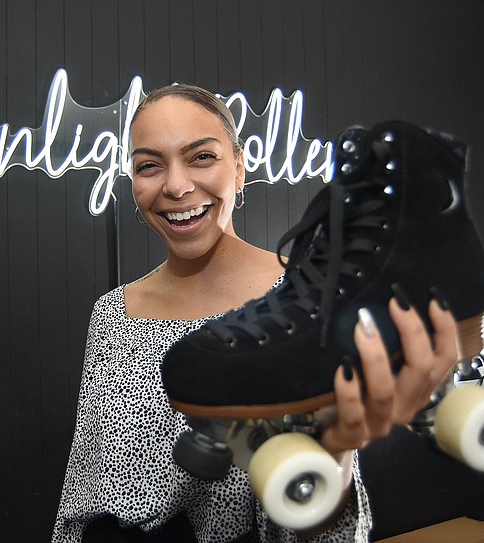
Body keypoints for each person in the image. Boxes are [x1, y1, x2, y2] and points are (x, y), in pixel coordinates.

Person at [52, 84, 459, 542]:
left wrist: (335, 452)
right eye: (149, 165)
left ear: (240, 167)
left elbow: (320, 520)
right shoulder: (113, 315)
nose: (177, 186)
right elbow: (82, 500)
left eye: (201, 156)